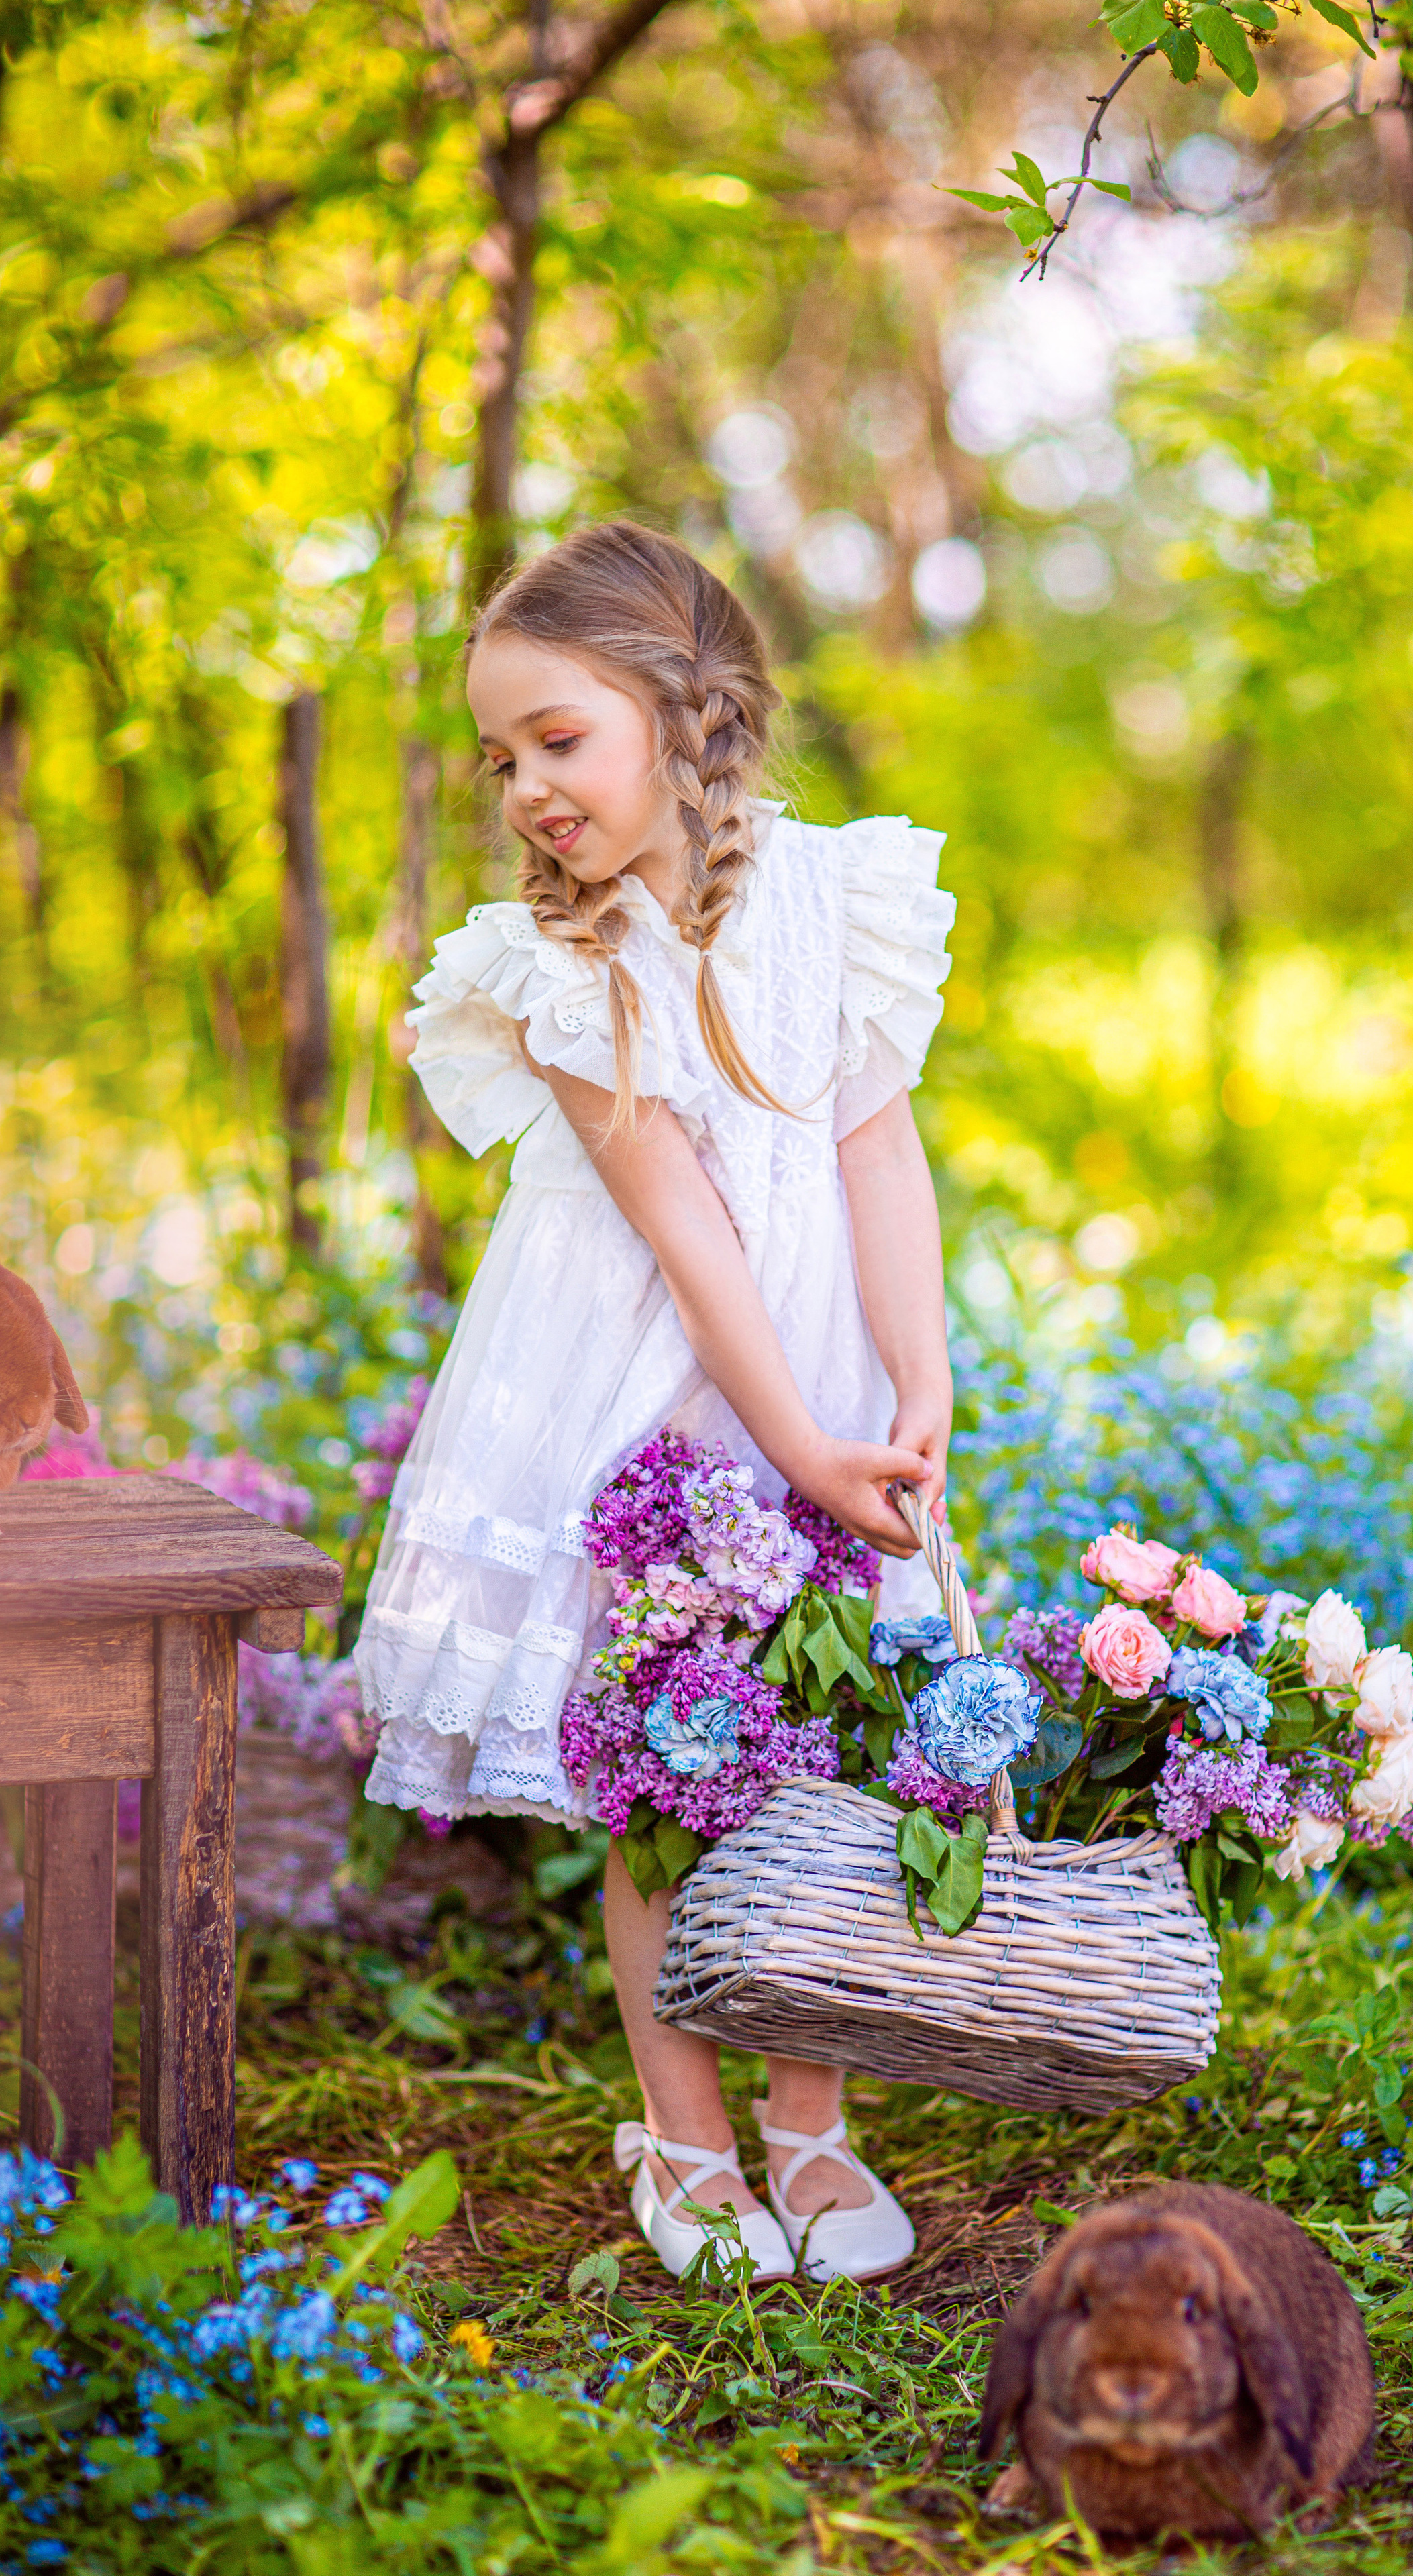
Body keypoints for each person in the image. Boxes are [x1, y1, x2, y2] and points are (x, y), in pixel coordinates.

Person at [354, 520, 957, 2286]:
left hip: (823, 1373)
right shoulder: (554, 970)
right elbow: (689, 1234)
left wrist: (915, 1381)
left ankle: (813, 2126)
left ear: (678, 714)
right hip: (645, 1404)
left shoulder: (833, 898)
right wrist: (794, 1450)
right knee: (668, 1764)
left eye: (561, 738)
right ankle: (684, 2141)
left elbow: (877, 1154)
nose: (528, 786)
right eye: (501, 758)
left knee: (821, 1757)